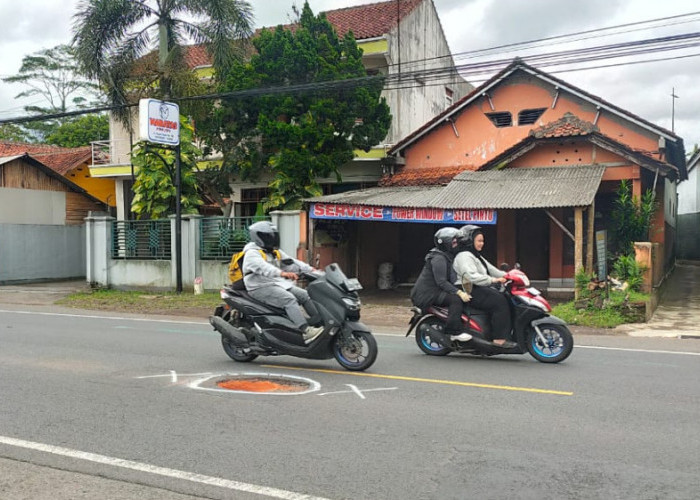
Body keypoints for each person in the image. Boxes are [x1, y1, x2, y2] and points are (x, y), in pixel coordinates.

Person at [241, 221, 324, 344]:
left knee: (304, 295)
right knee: (289, 299)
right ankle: (306, 331)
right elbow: (264, 267)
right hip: (259, 287)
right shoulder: (252, 253)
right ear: (258, 237)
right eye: (268, 236)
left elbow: (291, 263)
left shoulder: (274, 252)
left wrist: (311, 270)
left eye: (273, 236)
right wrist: (282, 273)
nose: (272, 239)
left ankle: (320, 323)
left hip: (276, 284)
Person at [453, 225, 517, 348]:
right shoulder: (464, 256)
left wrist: (509, 275)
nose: (482, 243)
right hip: (468, 289)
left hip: (477, 287)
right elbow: (471, 276)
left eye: (482, 241)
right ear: (469, 240)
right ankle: (499, 340)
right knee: (499, 301)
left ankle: (504, 333)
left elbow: (491, 269)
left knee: (505, 298)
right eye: (479, 241)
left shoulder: (475, 255)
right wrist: (494, 280)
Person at [410, 227, 473, 344]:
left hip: (437, 290)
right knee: (456, 300)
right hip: (428, 294)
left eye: (457, 242)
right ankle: (453, 332)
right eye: (454, 242)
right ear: (446, 243)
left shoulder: (448, 256)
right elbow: (441, 282)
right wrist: (459, 292)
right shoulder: (438, 258)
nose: (456, 244)